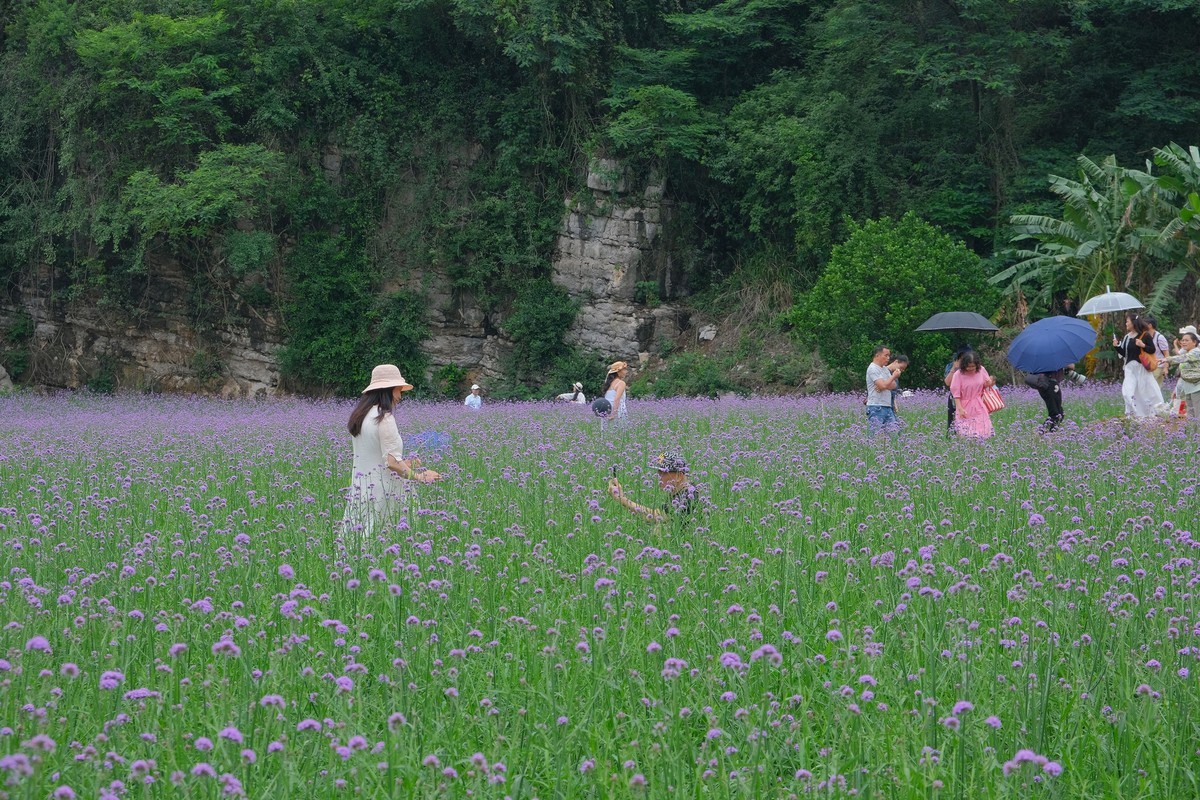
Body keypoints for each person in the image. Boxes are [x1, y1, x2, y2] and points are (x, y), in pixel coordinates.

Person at [344, 364, 440, 536]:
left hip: (362, 490)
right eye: (398, 390)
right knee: (386, 540)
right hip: (386, 493)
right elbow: (391, 463)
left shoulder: (361, 417)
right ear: (388, 390)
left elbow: (375, 456)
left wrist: (406, 463)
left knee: (359, 539)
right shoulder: (384, 418)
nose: (400, 396)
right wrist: (420, 477)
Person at [607, 452, 696, 523]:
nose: (658, 476)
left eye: (663, 473)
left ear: (678, 476)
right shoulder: (679, 492)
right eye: (658, 472)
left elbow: (655, 517)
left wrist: (621, 499)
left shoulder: (689, 496)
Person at [1112, 314, 1161, 419]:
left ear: (1134, 322)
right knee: (1127, 391)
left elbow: (1152, 349)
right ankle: (1132, 413)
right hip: (1130, 369)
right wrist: (1116, 346)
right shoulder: (1127, 337)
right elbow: (1125, 354)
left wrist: (1142, 345)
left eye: (1127, 321)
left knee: (1146, 390)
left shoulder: (1145, 335)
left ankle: (1152, 412)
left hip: (1142, 368)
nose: (1126, 323)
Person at [949, 350, 996, 438]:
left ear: (977, 365)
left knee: (982, 432)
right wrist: (959, 408)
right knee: (965, 433)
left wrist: (990, 382)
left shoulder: (981, 370)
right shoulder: (958, 374)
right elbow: (956, 393)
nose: (970, 368)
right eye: (968, 366)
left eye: (973, 366)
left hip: (978, 404)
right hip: (964, 406)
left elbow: (984, 385)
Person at [1165, 331, 1200, 423]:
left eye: (1187, 340)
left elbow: (1183, 358)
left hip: (1197, 387)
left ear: (1194, 342)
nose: (1183, 342)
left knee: (1197, 412)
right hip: (1189, 387)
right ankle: (1193, 434)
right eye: (1182, 340)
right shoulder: (1187, 353)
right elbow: (1183, 375)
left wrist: (1167, 359)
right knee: (1191, 413)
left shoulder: (1196, 352)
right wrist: (1176, 390)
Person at [865, 346, 900, 433]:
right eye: (886, 355)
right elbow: (882, 385)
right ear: (877, 355)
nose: (888, 358)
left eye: (889, 356)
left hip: (887, 406)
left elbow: (894, 385)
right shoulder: (873, 368)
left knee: (894, 434)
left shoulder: (885, 369)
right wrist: (893, 376)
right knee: (874, 436)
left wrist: (884, 385)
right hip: (876, 407)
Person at [1027, 367, 1065, 433]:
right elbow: (1071, 366)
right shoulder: (1053, 358)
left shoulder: (1039, 359)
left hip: (1043, 384)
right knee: (1056, 414)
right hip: (1050, 385)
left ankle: (1048, 433)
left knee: (1059, 413)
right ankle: (1043, 434)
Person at [943, 346, 972, 434]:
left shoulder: (973, 366)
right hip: (954, 399)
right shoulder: (951, 366)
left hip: (971, 398)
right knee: (952, 422)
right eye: (962, 357)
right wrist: (954, 368)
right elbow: (947, 383)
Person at [1144, 315, 1171, 399]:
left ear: (1150, 325)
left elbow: (1166, 354)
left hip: (1158, 367)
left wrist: (1166, 368)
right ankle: (1156, 407)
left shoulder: (1160, 338)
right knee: (1154, 390)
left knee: (1152, 388)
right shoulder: (1146, 337)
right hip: (1150, 366)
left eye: (1144, 324)